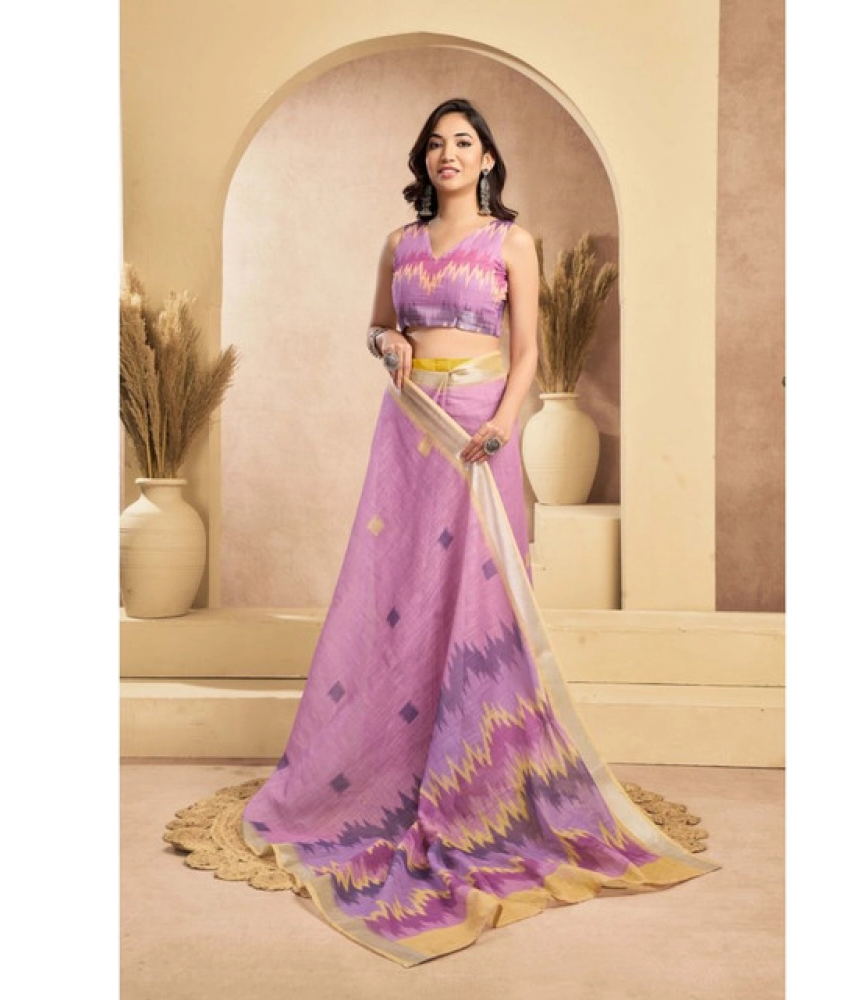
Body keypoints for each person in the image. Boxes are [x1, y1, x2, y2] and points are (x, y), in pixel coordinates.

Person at [241, 97, 719, 967]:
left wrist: (502, 424)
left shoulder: (512, 243)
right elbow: (379, 324)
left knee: (477, 597)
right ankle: (386, 761)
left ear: (489, 158)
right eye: (436, 144)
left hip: (477, 434)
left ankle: (480, 774)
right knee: (400, 589)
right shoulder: (399, 242)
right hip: (409, 428)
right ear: (423, 161)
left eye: (464, 142)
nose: (449, 154)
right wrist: (386, 345)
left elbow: (526, 350)